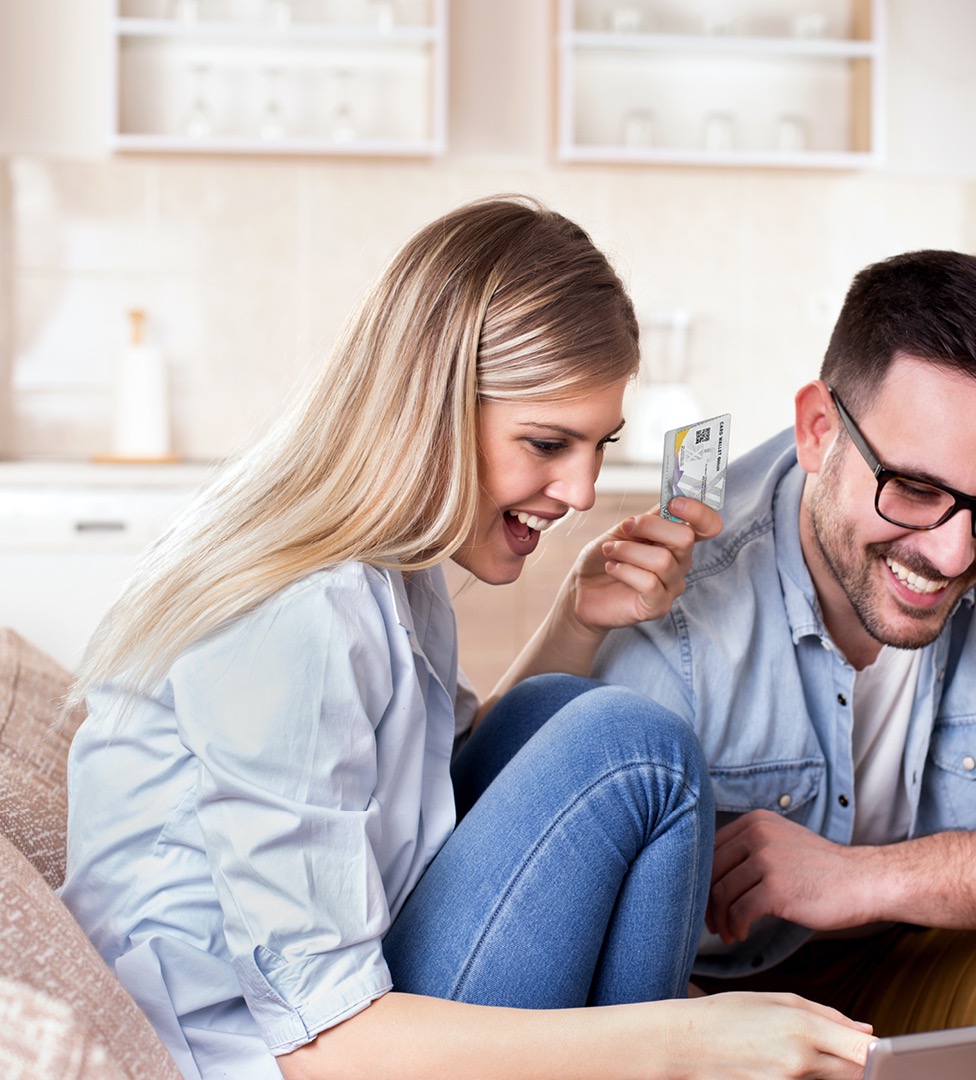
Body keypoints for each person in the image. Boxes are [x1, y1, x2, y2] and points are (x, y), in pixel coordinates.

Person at [60, 196, 875, 1080]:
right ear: (431, 406)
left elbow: (443, 786)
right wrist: (686, 1043)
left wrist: (576, 616)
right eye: (548, 442)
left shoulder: (389, 566)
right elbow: (321, 1042)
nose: (579, 491)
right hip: (275, 1053)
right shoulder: (295, 614)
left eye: (600, 444)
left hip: (333, 1010)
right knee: (633, 749)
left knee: (582, 718)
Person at [591, 249, 976, 1035]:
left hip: (930, 947)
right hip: (714, 995)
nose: (954, 556)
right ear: (820, 431)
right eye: (915, 489)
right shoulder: (683, 589)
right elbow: (585, 930)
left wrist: (863, 880)